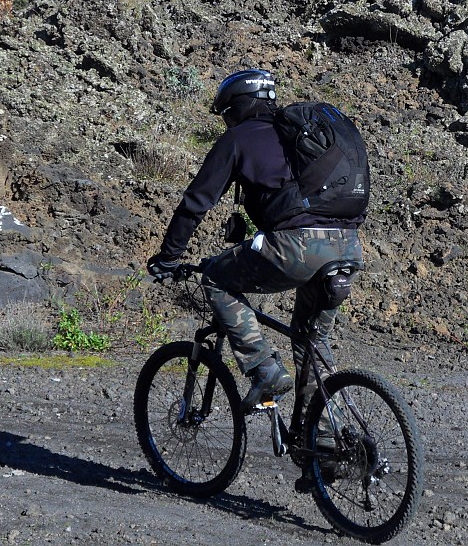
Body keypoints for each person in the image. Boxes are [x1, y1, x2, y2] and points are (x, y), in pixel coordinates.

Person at [146, 68, 365, 409]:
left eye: (224, 114)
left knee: (216, 278)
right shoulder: (297, 136)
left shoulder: (240, 138)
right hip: (348, 243)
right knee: (313, 340)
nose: (225, 122)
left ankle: (265, 370)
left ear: (235, 107)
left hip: (298, 247)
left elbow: (195, 203)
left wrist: (169, 257)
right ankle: (325, 446)